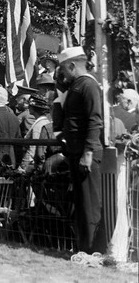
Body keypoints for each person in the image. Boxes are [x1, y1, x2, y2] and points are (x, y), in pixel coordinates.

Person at [57, 46, 106, 254]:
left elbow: (95, 120)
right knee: (81, 202)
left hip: (86, 153)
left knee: (89, 204)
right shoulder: (78, 84)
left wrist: (88, 153)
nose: (62, 74)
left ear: (71, 65)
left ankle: (93, 250)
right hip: (77, 152)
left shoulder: (88, 85)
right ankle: (84, 248)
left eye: (63, 70)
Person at [18, 95, 53, 172]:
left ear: (35, 108)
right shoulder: (45, 122)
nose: (28, 108)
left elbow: (33, 147)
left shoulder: (38, 125)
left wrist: (24, 165)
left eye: (30, 106)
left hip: (31, 164)